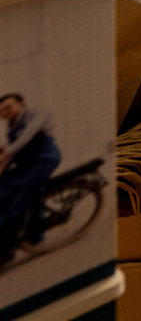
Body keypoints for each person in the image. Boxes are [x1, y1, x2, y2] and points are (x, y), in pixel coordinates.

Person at [0, 93, 60, 261]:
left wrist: (7, 153)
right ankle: (32, 234)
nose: (5, 113)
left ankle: (6, 250)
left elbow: (28, 135)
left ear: (21, 103)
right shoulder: (10, 129)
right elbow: (12, 153)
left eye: (8, 108)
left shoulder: (40, 114)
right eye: (1, 111)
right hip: (26, 165)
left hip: (44, 161)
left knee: (19, 201)